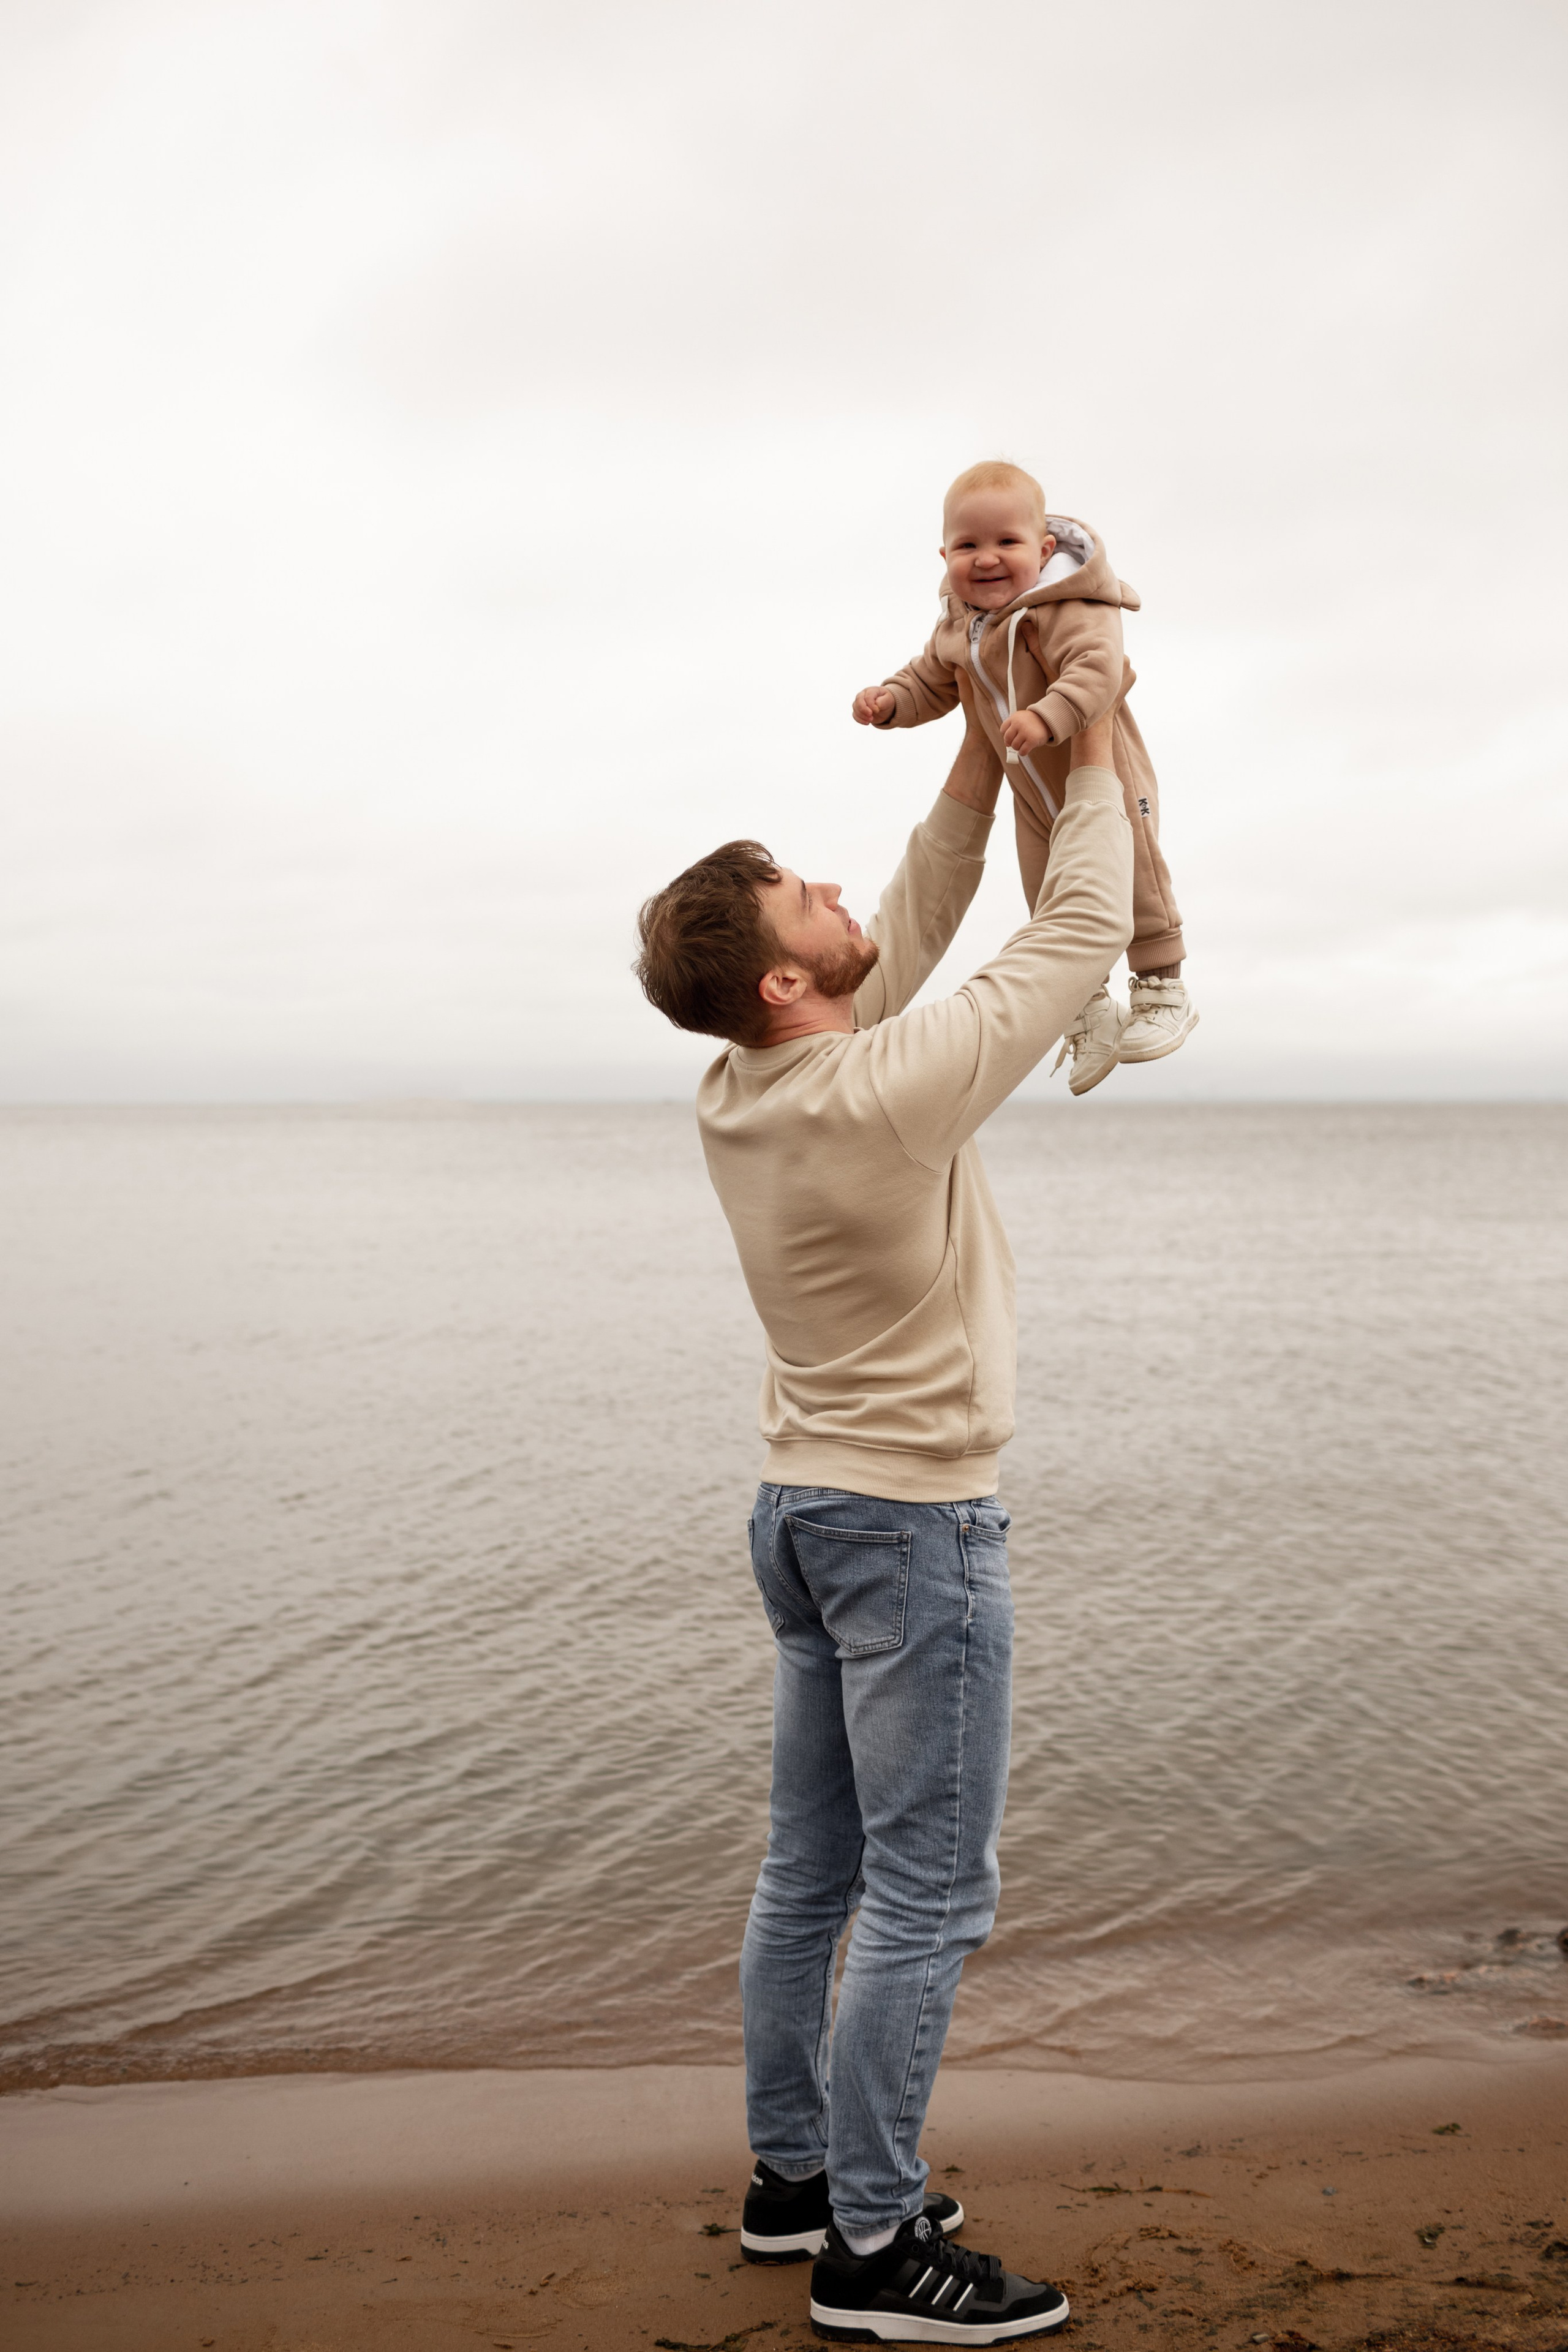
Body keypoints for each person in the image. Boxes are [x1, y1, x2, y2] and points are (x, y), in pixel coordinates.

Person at [633, 709, 1132, 2342]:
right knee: (928, 1897)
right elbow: (1079, 929)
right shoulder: (885, 1095)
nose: (839, 888)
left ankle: (796, 2181)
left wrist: (985, 746)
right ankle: (869, 2244)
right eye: (804, 894)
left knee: (809, 1874)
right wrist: (1091, 738)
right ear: (785, 979)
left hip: (800, 1514)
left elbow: (900, 930)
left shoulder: (739, 1084)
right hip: (911, 1533)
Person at [853, 457, 1196, 1097]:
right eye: (967, 546)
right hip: (1030, 792)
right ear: (944, 555)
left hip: (1105, 775)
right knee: (1046, 895)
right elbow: (931, 679)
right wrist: (892, 701)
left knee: (1137, 878)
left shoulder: (1069, 605)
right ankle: (1087, 1006)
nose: (986, 559)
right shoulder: (960, 624)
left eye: (1006, 542)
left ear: (1042, 550)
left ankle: (1161, 988)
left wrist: (1048, 715)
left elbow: (1098, 666)